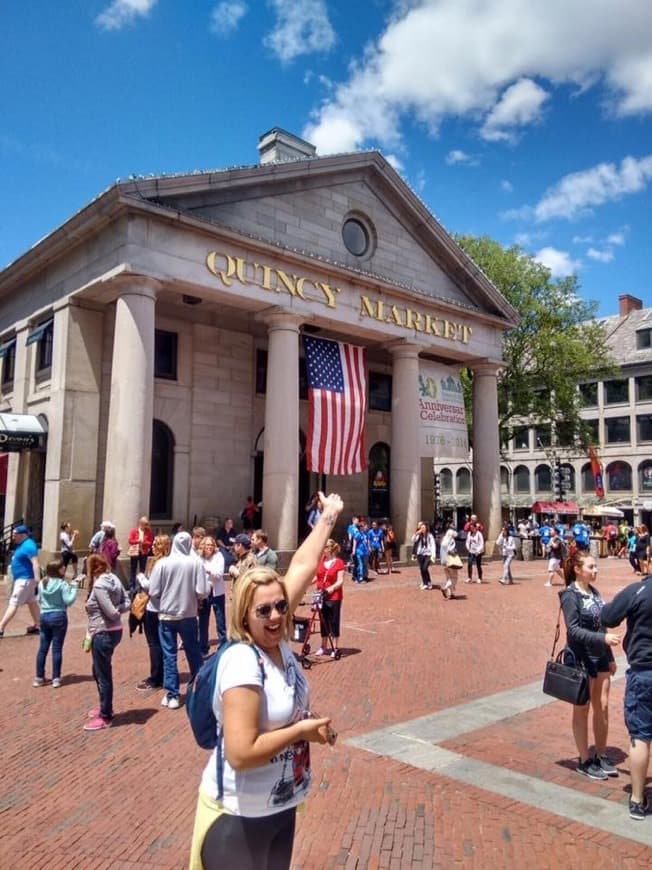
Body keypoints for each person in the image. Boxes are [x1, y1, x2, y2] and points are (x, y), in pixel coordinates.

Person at [188, 492, 342, 870]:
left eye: (281, 606)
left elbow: (304, 564)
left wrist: (329, 516)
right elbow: (241, 753)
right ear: (244, 614)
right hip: (238, 816)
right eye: (264, 610)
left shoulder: (279, 640)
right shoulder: (243, 659)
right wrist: (301, 730)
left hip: (278, 807)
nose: (275, 615)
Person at [560, 551, 620, 781]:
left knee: (602, 707)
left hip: (601, 656)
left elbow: (601, 626)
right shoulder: (570, 595)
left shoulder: (595, 593)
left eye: (596, 567)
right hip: (581, 657)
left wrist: (611, 655)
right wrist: (602, 640)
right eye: (591, 567)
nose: (595, 571)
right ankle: (584, 759)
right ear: (578, 569)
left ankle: (601, 754)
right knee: (582, 709)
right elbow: (573, 630)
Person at [601, 571, 652, 820]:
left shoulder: (638, 591)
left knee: (640, 737)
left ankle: (637, 798)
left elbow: (608, 615)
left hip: (644, 672)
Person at [148, 531, 210, 710]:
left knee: (169, 655)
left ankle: (172, 693)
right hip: (188, 614)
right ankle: (199, 688)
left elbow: (153, 590)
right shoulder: (195, 562)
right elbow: (203, 590)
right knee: (194, 653)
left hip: (167, 615)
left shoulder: (162, 564)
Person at [84, 553, 130, 731]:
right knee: (97, 670)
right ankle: (103, 705)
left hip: (104, 631)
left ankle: (106, 715)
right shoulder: (115, 579)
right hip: (113, 630)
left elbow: (111, 612)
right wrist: (118, 610)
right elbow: (126, 602)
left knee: (103, 674)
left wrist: (115, 611)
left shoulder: (100, 585)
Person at [34, 559, 79, 688]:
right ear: (57, 570)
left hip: (44, 615)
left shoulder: (43, 583)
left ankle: (38, 677)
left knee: (43, 648)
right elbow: (69, 600)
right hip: (59, 615)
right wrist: (74, 587)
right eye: (62, 567)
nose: (64, 569)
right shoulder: (62, 584)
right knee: (57, 648)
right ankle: (56, 678)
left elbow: (39, 599)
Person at [134, 533, 171, 692]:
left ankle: (156, 677)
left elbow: (152, 588)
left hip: (155, 608)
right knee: (161, 643)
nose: (153, 547)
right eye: (153, 544)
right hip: (162, 607)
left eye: (156, 544)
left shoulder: (161, 564)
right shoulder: (164, 562)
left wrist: (141, 578)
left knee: (154, 644)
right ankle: (162, 674)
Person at [0, 524, 41, 637]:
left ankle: (1, 627)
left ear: (22, 535)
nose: (13, 536)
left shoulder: (29, 545)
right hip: (23, 579)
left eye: (15, 534)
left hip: (25, 580)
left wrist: (37, 578)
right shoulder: (22, 545)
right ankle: (39, 625)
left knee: (14, 602)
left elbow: (35, 562)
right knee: (32, 602)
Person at [314, 539, 345, 657]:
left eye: (325, 547)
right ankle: (323, 646)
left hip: (334, 596)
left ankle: (335, 647)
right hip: (321, 595)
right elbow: (319, 577)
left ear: (331, 549)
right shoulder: (322, 560)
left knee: (334, 621)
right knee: (323, 620)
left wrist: (331, 588)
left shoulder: (339, 562)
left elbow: (340, 580)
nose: (323, 550)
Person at [199, 535, 227, 654]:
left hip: (217, 593)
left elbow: (218, 574)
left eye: (211, 545)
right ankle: (203, 648)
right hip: (204, 593)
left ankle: (224, 646)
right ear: (203, 546)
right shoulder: (199, 558)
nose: (209, 547)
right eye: (207, 545)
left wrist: (206, 569)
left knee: (220, 621)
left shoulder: (219, 556)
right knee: (203, 622)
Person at [127, 516, 154, 594]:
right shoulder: (134, 531)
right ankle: (132, 586)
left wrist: (144, 543)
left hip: (144, 553)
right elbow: (130, 540)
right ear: (140, 523)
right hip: (135, 552)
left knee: (142, 570)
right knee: (133, 569)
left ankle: (140, 586)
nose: (146, 525)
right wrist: (137, 541)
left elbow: (150, 542)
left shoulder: (149, 532)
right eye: (145, 524)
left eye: (147, 524)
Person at [412, 521, 435, 590]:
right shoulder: (419, 535)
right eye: (421, 528)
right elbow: (413, 540)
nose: (422, 529)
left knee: (425, 568)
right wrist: (416, 533)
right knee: (422, 569)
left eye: (423, 528)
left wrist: (433, 555)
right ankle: (425, 583)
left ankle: (428, 582)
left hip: (428, 554)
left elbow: (433, 545)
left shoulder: (430, 536)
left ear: (426, 528)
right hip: (420, 554)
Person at [439, 523, 459, 599]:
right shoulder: (451, 540)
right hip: (450, 560)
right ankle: (446, 588)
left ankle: (451, 593)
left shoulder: (443, 540)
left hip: (444, 562)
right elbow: (451, 550)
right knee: (454, 577)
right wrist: (455, 551)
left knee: (448, 577)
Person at [351, 520, 370, 584]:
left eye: (363, 526)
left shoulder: (365, 534)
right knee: (360, 565)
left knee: (365, 564)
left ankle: (364, 576)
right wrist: (354, 550)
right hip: (359, 551)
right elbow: (355, 541)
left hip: (365, 552)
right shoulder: (358, 534)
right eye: (362, 526)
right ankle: (360, 577)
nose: (364, 527)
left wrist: (368, 549)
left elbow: (367, 542)